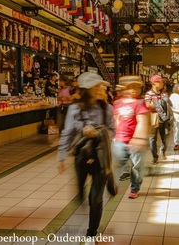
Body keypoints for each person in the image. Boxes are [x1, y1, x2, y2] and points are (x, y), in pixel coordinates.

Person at [57, 72, 116, 239]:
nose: (100, 89)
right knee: (80, 193)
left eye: (100, 86)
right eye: (96, 86)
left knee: (95, 198)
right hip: (81, 157)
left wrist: (97, 133)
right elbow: (68, 133)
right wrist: (61, 156)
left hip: (101, 157)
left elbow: (112, 131)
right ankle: (82, 198)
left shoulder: (107, 109)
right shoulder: (74, 109)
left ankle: (92, 233)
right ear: (87, 89)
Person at [112, 76, 150, 199]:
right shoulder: (117, 103)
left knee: (137, 167)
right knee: (118, 163)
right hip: (120, 140)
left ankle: (135, 187)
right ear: (123, 89)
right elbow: (116, 119)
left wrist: (139, 138)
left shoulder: (139, 103)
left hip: (135, 142)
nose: (134, 90)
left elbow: (142, 121)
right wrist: (114, 134)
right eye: (131, 87)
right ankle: (113, 183)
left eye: (137, 87)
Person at [145, 75, 172, 164]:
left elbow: (166, 103)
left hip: (163, 118)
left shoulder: (164, 93)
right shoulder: (148, 94)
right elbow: (148, 105)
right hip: (153, 118)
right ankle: (155, 156)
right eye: (160, 82)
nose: (162, 83)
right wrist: (160, 103)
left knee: (165, 137)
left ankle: (163, 151)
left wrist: (155, 104)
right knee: (152, 139)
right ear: (154, 83)